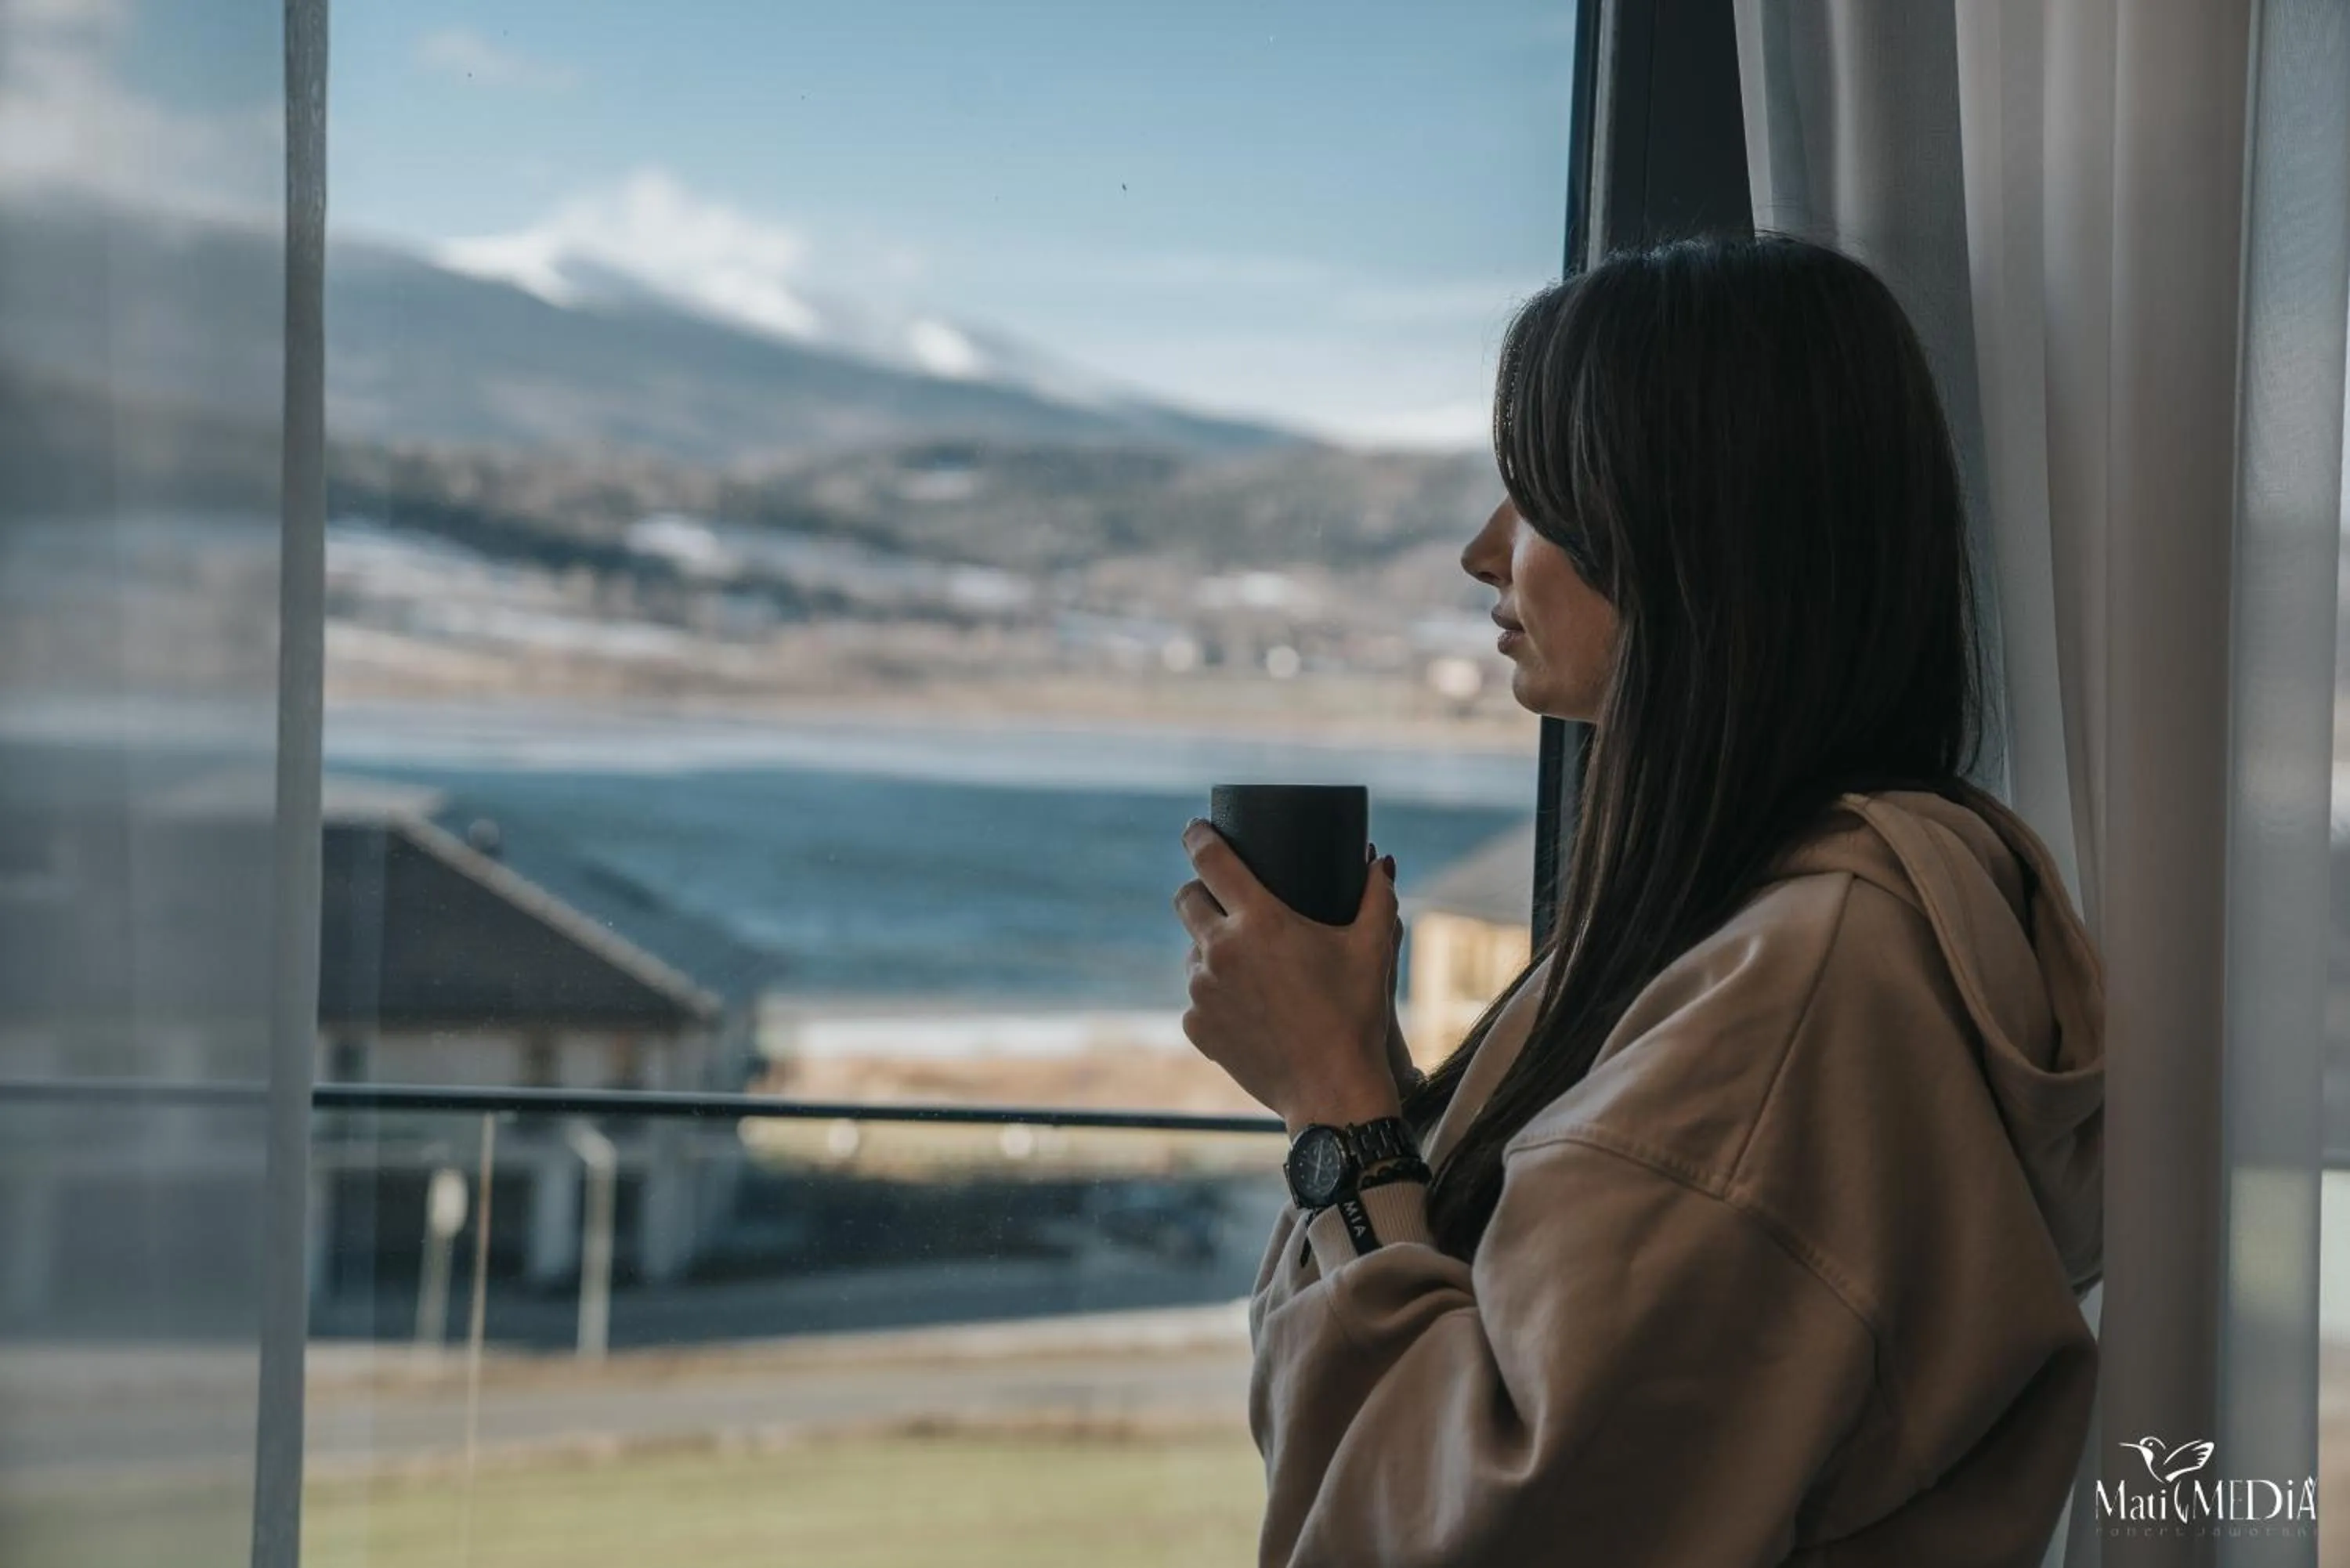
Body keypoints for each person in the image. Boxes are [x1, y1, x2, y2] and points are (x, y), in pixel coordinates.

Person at [1170, 233, 2103, 1566]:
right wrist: (1367, 1063)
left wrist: (1339, 1110)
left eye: (1539, 497)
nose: (1483, 551)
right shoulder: (1755, 921)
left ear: (1690, 531)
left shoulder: (1803, 988)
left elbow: (1495, 1521)